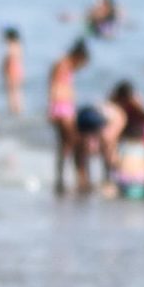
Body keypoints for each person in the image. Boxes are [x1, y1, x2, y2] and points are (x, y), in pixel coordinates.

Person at [46, 39, 92, 193]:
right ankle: (75, 179)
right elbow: (54, 85)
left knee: (66, 144)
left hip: (64, 106)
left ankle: (64, 179)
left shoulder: (66, 65)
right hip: (62, 107)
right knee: (72, 142)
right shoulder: (63, 64)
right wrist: (52, 107)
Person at [0, 26, 24, 116]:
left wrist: (2, 67)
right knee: (17, 91)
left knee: (11, 92)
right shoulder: (18, 45)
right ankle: (18, 109)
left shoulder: (11, 46)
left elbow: (9, 58)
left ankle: (13, 110)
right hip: (18, 69)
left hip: (11, 69)